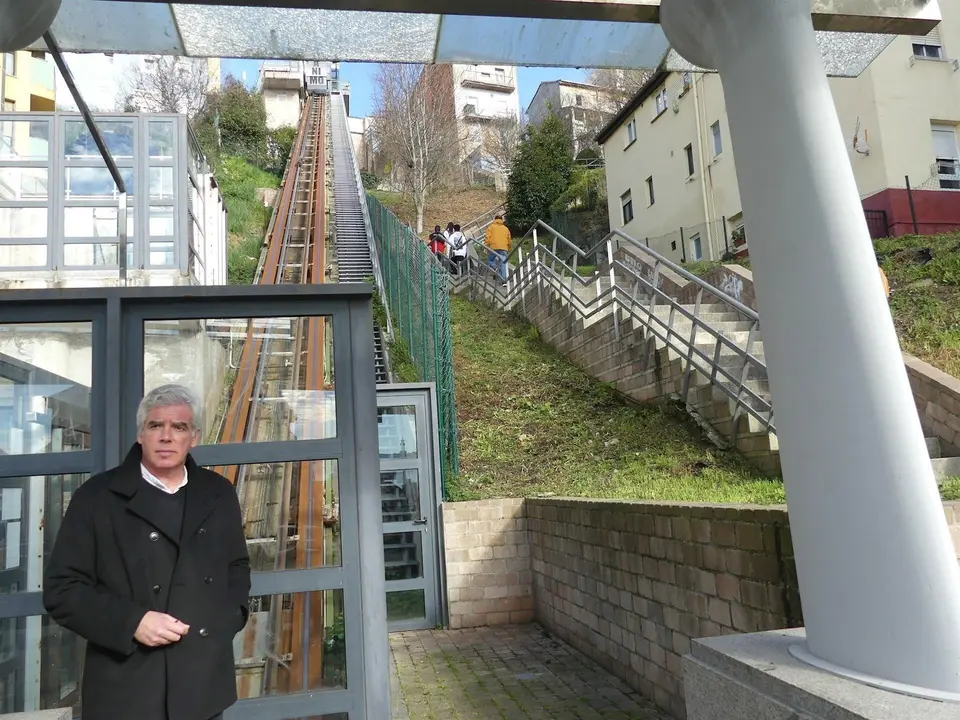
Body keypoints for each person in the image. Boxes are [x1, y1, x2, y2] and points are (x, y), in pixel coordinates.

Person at [44, 384, 251, 720]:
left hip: (202, 685)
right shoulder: (96, 498)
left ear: (194, 437)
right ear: (141, 434)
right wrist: (132, 622)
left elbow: (237, 566)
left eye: (179, 427)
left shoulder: (219, 494)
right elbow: (62, 591)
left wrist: (228, 619)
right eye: (156, 426)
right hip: (127, 688)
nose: (166, 437)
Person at [484, 214, 512, 282]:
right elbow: (509, 239)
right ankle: (504, 281)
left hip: (494, 247)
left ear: (495, 219)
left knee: (489, 260)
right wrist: (508, 248)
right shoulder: (506, 228)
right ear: (501, 220)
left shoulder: (491, 227)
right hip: (504, 248)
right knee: (503, 263)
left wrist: (485, 246)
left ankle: (495, 267)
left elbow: (488, 237)